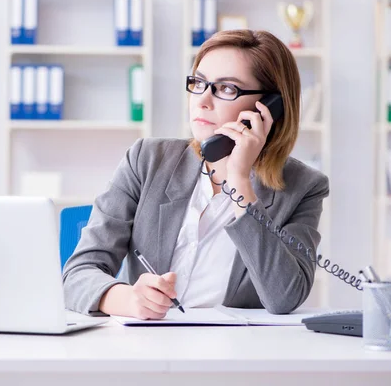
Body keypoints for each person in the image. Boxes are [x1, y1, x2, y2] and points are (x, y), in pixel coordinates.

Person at [62, 29, 329, 319]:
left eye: (227, 88)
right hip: (148, 348)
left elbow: (284, 298)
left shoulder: (303, 187)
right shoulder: (147, 160)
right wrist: (126, 300)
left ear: (268, 108)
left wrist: (240, 182)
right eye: (199, 82)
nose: (203, 100)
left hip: (238, 355)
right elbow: (77, 275)